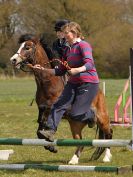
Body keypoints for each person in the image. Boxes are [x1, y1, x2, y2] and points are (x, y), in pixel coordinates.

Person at [34, 22, 99, 142]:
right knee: (58, 105)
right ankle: (50, 131)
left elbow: (90, 64)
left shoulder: (83, 45)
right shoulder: (67, 49)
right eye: (63, 33)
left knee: (75, 114)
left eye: (66, 33)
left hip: (88, 82)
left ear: (74, 33)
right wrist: (44, 69)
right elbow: (61, 69)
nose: (64, 36)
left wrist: (77, 70)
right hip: (73, 82)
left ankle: (91, 114)